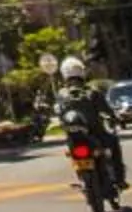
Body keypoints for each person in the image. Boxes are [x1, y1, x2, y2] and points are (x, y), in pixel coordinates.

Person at [51, 57, 127, 196]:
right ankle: (120, 179)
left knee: (73, 154)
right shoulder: (92, 91)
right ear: (81, 73)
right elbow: (108, 111)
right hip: (96, 135)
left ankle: (82, 179)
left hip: (73, 140)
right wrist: (116, 118)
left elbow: (58, 114)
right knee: (114, 142)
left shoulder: (61, 95)